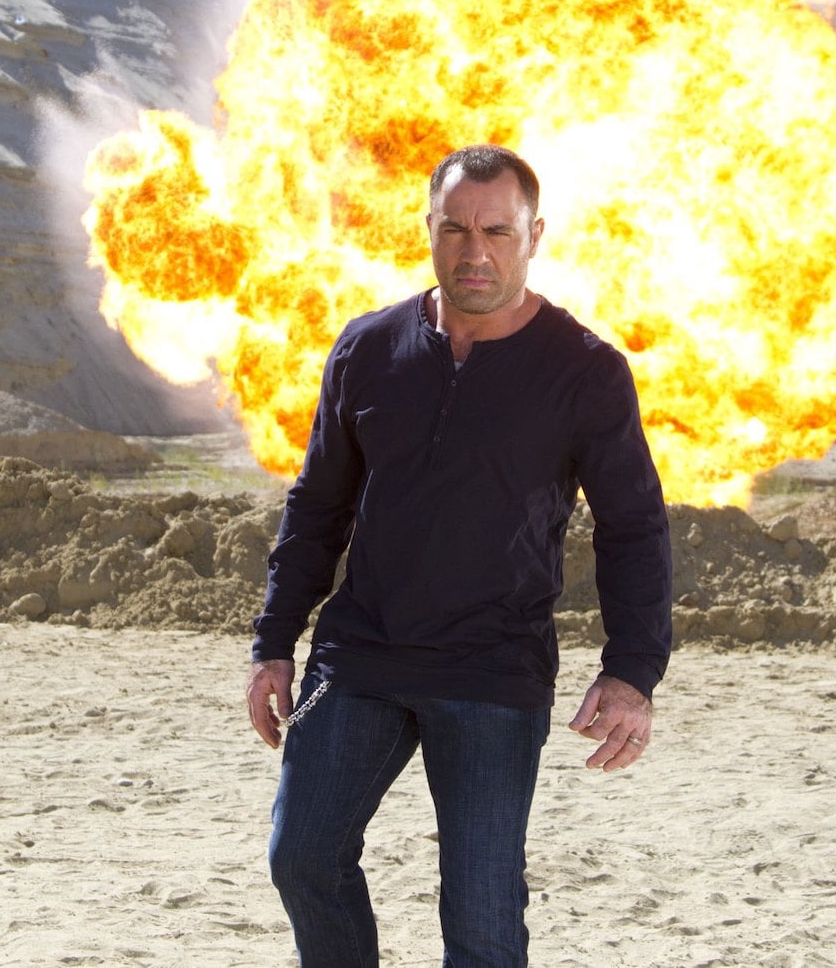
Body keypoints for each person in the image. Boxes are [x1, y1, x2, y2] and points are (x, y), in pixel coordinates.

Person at [245, 144, 674, 968]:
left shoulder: (586, 371)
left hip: (493, 667)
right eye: (455, 229)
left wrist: (632, 671)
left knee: (481, 918)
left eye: (496, 231)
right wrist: (273, 642)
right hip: (361, 654)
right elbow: (319, 505)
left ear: (534, 235)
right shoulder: (368, 347)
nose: (474, 251)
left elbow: (633, 527)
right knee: (301, 856)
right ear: (429, 229)